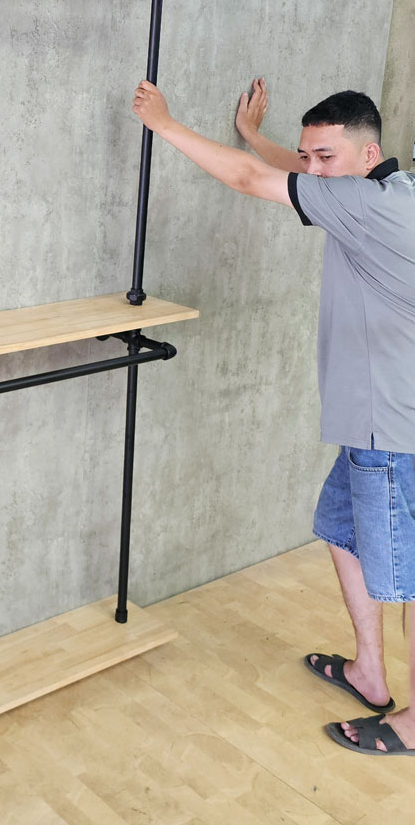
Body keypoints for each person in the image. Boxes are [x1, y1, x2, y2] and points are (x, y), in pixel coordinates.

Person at [132, 76, 415, 756]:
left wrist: (164, 122)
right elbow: (292, 173)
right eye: (308, 156)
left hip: (391, 432)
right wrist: (258, 137)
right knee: (340, 530)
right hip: (368, 425)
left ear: (368, 153)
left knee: (408, 582)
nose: (313, 168)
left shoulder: (365, 207)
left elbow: (250, 181)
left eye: (326, 157)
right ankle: (368, 672)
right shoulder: (387, 189)